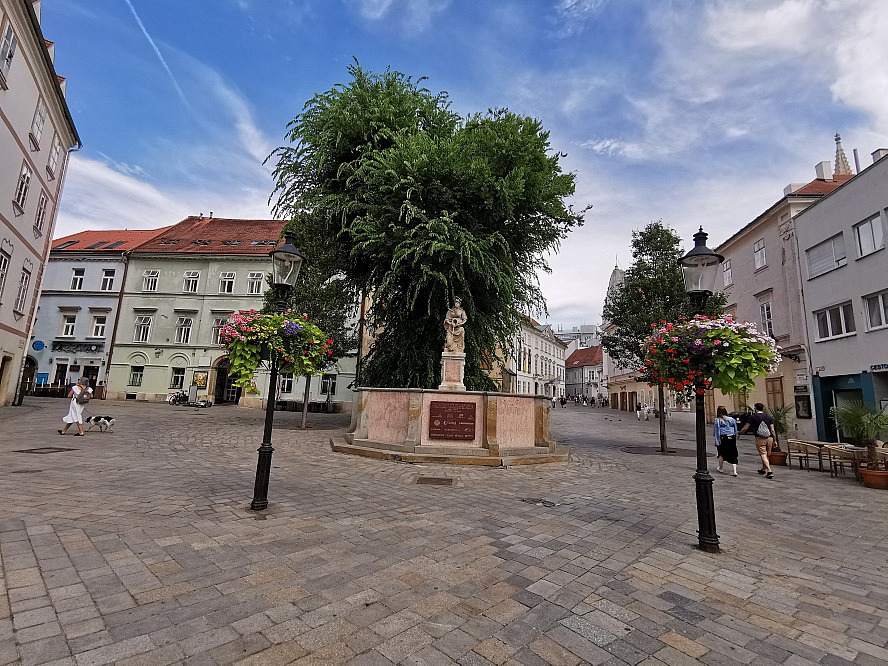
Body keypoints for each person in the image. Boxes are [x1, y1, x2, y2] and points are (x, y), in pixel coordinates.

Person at [740, 402, 776, 478]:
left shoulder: (753, 417)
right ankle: (763, 469)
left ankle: (769, 471)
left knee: (763, 454)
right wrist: (775, 440)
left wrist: (740, 432)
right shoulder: (769, 417)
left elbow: (746, 427)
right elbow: (772, 430)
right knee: (767, 455)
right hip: (769, 438)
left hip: (760, 438)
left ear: (755, 409)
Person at [713, 406, 739, 476]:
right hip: (732, 437)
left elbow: (716, 431)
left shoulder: (718, 420)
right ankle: (734, 471)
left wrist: (716, 441)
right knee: (733, 453)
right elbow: (735, 428)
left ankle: (721, 468)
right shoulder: (731, 419)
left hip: (723, 438)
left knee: (721, 453)